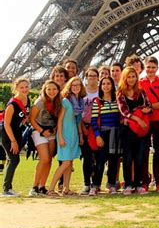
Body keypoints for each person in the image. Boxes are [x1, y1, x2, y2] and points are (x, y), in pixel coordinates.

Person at [117, 67, 152, 195]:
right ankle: (127, 184)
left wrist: (142, 109)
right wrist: (139, 118)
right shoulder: (121, 93)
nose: (131, 79)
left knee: (139, 158)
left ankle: (137, 184)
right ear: (125, 78)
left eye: (133, 76)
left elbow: (149, 106)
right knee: (127, 158)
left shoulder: (141, 92)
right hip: (127, 129)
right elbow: (124, 112)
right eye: (129, 77)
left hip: (141, 130)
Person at [46, 77, 83, 196]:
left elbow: (77, 121)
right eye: (74, 85)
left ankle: (66, 188)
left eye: (78, 85)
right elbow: (60, 121)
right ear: (69, 87)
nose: (76, 87)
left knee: (70, 162)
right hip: (65, 134)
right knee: (66, 162)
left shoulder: (79, 102)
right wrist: (60, 137)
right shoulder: (66, 101)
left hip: (73, 134)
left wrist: (80, 135)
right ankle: (51, 188)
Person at [140, 56, 159, 192]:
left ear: (157, 68)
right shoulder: (140, 82)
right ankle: (144, 182)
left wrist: (150, 107)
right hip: (145, 121)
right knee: (144, 152)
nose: (151, 70)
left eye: (153, 67)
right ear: (144, 68)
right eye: (148, 67)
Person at [89, 77, 122, 195]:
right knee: (100, 160)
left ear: (112, 86)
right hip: (103, 133)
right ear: (100, 86)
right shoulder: (97, 101)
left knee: (114, 161)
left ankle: (111, 184)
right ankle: (96, 185)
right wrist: (97, 136)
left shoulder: (117, 100)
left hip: (115, 133)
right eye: (103, 84)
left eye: (108, 84)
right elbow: (93, 120)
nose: (106, 86)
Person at [29, 80, 62, 196]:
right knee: (44, 158)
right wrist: (42, 131)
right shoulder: (39, 102)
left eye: (54, 89)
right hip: (39, 130)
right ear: (44, 90)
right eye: (49, 89)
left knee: (49, 160)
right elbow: (31, 119)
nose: (52, 91)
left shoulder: (59, 102)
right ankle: (34, 186)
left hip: (52, 132)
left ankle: (42, 186)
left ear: (58, 90)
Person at [0, 78, 30, 197]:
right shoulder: (12, 104)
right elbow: (6, 124)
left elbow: (23, 116)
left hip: (17, 131)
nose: (24, 89)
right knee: (14, 159)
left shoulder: (27, 99)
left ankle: (7, 188)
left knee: (12, 159)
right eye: (21, 87)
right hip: (8, 133)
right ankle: (6, 189)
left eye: (26, 87)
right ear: (16, 88)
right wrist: (13, 141)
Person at [79, 67, 99, 195]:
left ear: (98, 78)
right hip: (85, 127)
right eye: (89, 76)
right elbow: (77, 113)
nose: (91, 78)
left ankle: (95, 183)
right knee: (87, 157)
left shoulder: (101, 92)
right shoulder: (81, 93)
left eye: (94, 75)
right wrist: (82, 129)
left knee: (98, 158)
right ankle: (87, 183)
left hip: (97, 127)